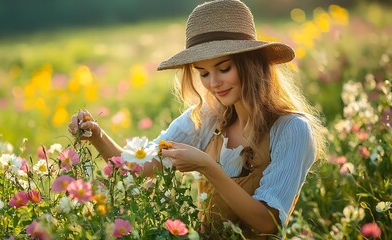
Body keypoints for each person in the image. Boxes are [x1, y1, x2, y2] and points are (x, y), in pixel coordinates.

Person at [68, 0, 327, 238]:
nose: (213, 83)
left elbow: (268, 223)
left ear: (251, 63)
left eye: (224, 68)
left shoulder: (292, 129)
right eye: (203, 73)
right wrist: (98, 136)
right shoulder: (208, 117)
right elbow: (137, 167)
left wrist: (208, 166)